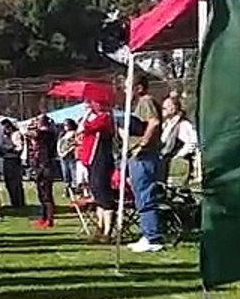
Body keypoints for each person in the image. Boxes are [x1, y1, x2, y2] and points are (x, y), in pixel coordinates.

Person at [126, 72, 165, 252]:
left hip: (145, 156)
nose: (126, 90)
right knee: (140, 195)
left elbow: (154, 122)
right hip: (138, 155)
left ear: (138, 88)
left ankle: (153, 237)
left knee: (145, 195)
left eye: (128, 86)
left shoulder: (146, 101)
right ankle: (147, 233)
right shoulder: (139, 105)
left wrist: (142, 144)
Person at [79, 99, 118, 242]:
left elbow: (87, 127)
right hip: (91, 160)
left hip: (101, 159)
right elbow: (81, 130)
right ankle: (100, 228)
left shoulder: (105, 117)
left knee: (104, 194)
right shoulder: (95, 117)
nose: (88, 105)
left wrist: (87, 115)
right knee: (97, 194)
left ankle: (108, 231)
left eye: (91, 102)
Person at [160, 97, 200, 187]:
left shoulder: (182, 124)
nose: (162, 111)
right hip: (166, 162)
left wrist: (178, 156)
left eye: (164, 108)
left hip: (177, 165)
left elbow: (191, 143)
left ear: (173, 108)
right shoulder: (166, 124)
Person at [29, 115, 59, 227]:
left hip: (46, 165)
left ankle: (49, 219)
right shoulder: (44, 134)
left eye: (38, 121)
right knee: (41, 193)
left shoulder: (47, 133)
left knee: (46, 194)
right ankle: (44, 217)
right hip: (40, 165)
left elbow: (31, 133)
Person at [0, 118, 26, 209]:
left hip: (14, 160)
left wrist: (9, 149)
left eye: (7, 128)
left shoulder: (16, 134)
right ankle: (13, 202)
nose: (5, 130)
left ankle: (19, 202)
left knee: (15, 182)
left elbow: (19, 148)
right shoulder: (4, 136)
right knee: (8, 182)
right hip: (6, 160)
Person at [56, 119, 80, 195]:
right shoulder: (62, 134)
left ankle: (75, 189)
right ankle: (67, 189)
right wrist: (60, 152)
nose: (66, 126)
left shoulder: (75, 133)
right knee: (65, 173)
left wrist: (67, 151)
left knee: (73, 173)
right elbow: (59, 143)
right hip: (62, 156)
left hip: (71, 156)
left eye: (67, 125)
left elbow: (75, 144)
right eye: (65, 125)